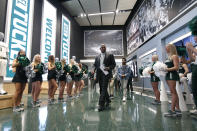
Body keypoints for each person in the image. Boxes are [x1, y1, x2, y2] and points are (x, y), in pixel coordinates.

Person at [93, 44, 116, 111]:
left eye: (104, 47)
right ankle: (108, 100)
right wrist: (93, 70)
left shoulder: (110, 55)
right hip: (99, 74)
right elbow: (95, 65)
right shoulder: (97, 57)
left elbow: (114, 64)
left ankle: (101, 104)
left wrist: (108, 67)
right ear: (100, 49)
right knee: (102, 88)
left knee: (103, 88)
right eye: (102, 47)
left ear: (106, 48)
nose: (103, 48)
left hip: (106, 74)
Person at [164, 44, 181, 117]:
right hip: (168, 75)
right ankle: (178, 109)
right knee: (174, 92)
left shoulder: (174, 56)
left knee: (173, 92)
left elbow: (176, 67)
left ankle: (172, 110)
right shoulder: (169, 57)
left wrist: (166, 69)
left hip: (172, 75)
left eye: (167, 48)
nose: (165, 49)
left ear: (170, 48)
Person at [186, 15, 197, 114]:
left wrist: (193, 49)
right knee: (194, 89)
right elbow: (192, 59)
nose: (194, 38)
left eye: (195, 35)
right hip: (195, 68)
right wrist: (189, 50)